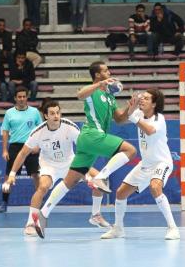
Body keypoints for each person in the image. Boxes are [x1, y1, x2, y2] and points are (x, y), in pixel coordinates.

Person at [31, 61, 136, 239]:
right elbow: (79, 94)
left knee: (68, 182)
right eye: (105, 70)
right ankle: (100, 177)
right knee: (130, 150)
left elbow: (119, 119)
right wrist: (99, 85)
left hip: (91, 141)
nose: (109, 72)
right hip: (91, 134)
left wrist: (130, 108)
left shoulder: (110, 97)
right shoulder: (92, 91)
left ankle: (42, 215)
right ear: (97, 75)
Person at [3, 100, 110, 236]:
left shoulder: (69, 126)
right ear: (46, 116)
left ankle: (95, 215)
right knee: (42, 187)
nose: (56, 116)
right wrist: (12, 173)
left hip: (71, 162)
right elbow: (23, 153)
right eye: (52, 113)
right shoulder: (38, 132)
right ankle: (30, 223)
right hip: (49, 165)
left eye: (58, 112)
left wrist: (86, 173)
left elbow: (84, 148)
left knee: (99, 179)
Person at [101, 89, 179, 240]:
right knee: (120, 193)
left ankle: (173, 228)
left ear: (154, 104)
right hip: (146, 164)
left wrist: (133, 115)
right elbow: (121, 119)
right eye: (141, 98)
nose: (142, 100)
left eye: (146, 99)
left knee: (155, 186)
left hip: (161, 162)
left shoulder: (159, 118)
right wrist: (131, 107)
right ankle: (118, 229)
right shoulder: (138, 114)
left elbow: (149, 130)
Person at [0, 86, 42, 213]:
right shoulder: (9, 113)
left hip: (31, 146)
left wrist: (38, 146)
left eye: (24, 96)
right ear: (15, 98)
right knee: (8, 176)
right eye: (19, 97)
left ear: (27, 97)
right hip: (15, 147)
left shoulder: (34, 112)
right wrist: (5, 150)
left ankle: (39, 202)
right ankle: (4, 202)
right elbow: (5, 132)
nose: (22, 99)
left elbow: (41, 130)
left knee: (36, 175)